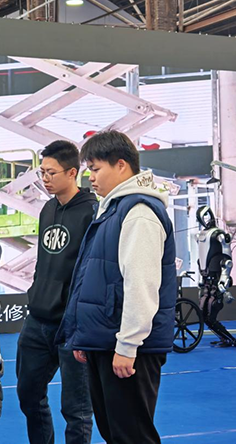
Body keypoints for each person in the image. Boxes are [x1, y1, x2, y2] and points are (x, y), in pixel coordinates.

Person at [57, 130, 177, 444]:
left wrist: (127, 345)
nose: (90, 177)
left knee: (131, 436)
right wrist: (86, 336)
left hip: (126, 347)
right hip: (107, 340)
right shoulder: (112, 209)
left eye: (95, 169)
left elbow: (141, 283)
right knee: (114, 433)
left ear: (121, 165)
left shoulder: (139, 213)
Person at [16, 140, 95, 444]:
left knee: (77, 411)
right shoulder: (48, 209)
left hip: (72, 326)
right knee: (28, 395)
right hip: (37, 320)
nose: (45, 178)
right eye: (42, 172)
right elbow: (44, 260)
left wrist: (83, 323)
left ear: (72, 172)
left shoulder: (91, 212)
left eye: (51, 172)